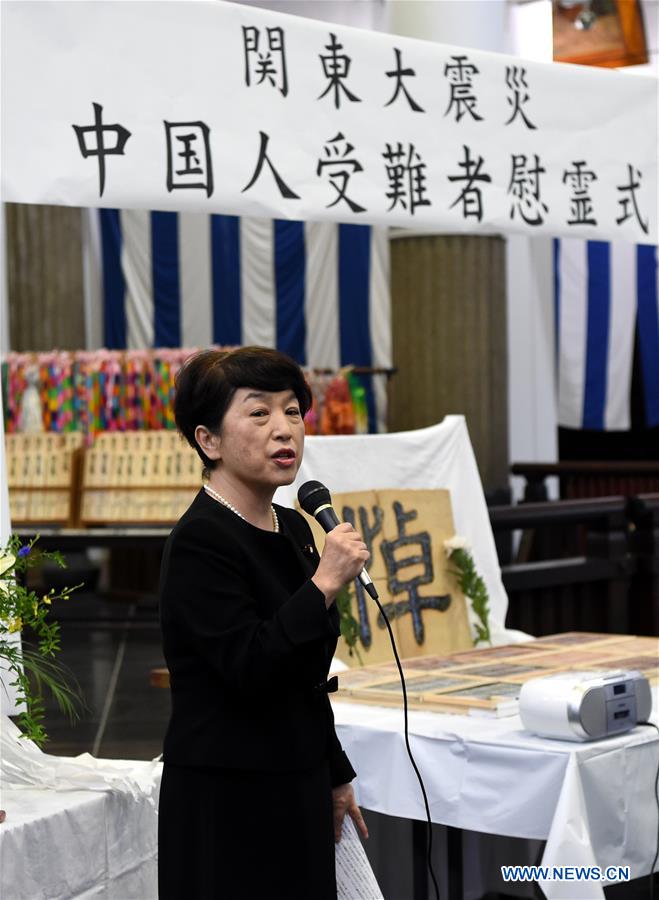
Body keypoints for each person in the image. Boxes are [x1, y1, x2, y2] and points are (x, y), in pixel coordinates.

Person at [158, 346, 370, 900]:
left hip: (298, 780)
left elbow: (304, 677)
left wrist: (335, 774)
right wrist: (324, 584)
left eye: (293, 411)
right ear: (209, 440)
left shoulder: (293, 527)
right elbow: (250, 666)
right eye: (259, 413)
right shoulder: (200, 540)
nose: (284, 429)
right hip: (230, 795)